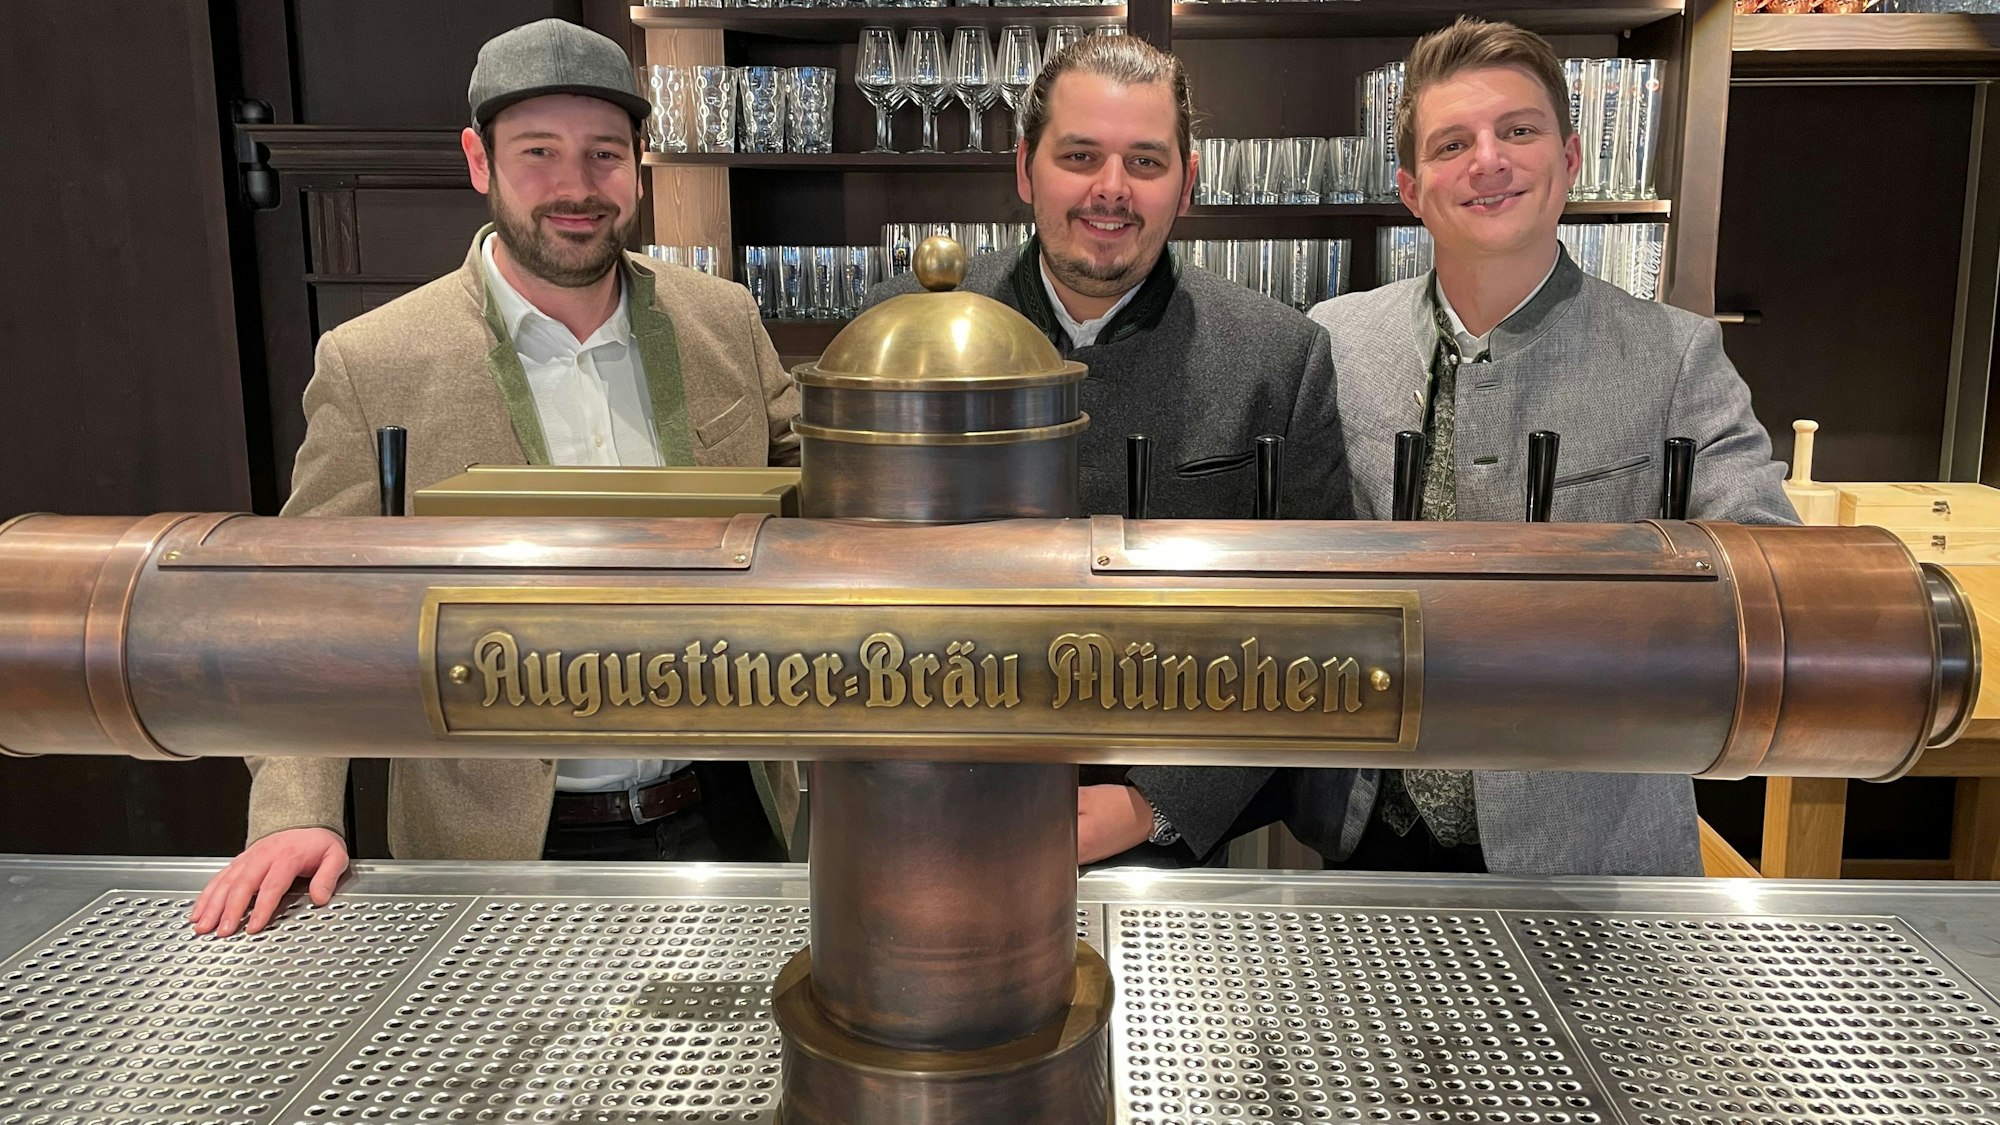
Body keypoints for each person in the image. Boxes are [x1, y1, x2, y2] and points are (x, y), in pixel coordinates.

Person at [191, 19, 801, 937]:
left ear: (637, 165)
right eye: (539, 153)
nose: (576, 186)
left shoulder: (723, 320)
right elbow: (302, 596)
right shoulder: (374, 361)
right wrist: (296, 810)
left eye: (604, 155)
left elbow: (814, 505)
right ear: (479, 160)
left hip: (733, 819)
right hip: (501, 848)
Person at [1291, 18, 1796, 877]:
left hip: (1593, 856)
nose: (1487, 160)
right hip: (1371, 838)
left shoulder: (1676, 354)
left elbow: (1774, 576)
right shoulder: (1331, 340)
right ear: (1413, 188)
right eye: (1453, 143)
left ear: (1568, 161)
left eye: (1517, 131)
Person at [867, 34, 1353, 868]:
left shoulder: (1280, 355)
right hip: (925, 807)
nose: (1111, 189)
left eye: (1146, 161)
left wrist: (1151, 802)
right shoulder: (892, 334)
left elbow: (1316, 622)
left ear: (1187, 184)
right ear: (1025, 170)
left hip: (1168, 840)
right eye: (1080, 155)